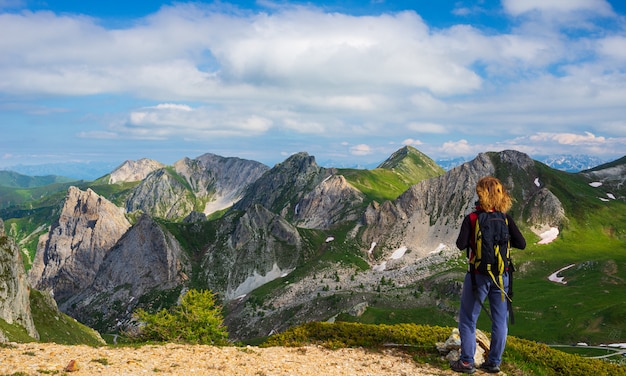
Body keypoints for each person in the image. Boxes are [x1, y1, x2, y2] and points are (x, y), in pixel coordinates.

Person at [450, 176, 526, 374]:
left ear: (480, 193)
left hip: (478, 276)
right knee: (500, 321)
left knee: (468, 319)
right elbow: (522, 243)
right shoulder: (506, 219)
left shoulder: (473, 218)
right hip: (502, 277)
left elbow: (460, 245)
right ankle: (493, 362)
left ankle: (467, 362)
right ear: (500, 195)